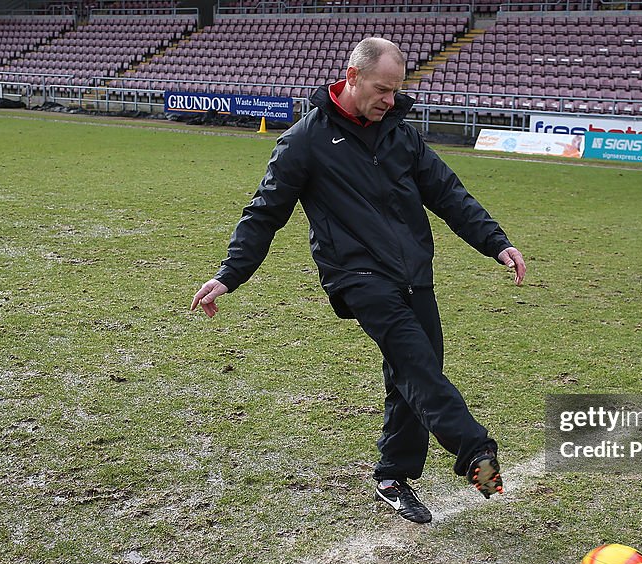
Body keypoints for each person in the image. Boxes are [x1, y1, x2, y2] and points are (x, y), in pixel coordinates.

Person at [191, 37, 526, 525]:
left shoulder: (401, 135)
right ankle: (477, 454)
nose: (390, 99)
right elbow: (264, 213)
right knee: (418, 365)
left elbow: (449, 193)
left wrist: (496, 242)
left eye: (396, 90)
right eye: (382, 89)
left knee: (412, 371)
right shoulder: (305, 140)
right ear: (352, 78)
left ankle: (392, 477)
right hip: (357, 276)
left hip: (413, 274)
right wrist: (230, 274)